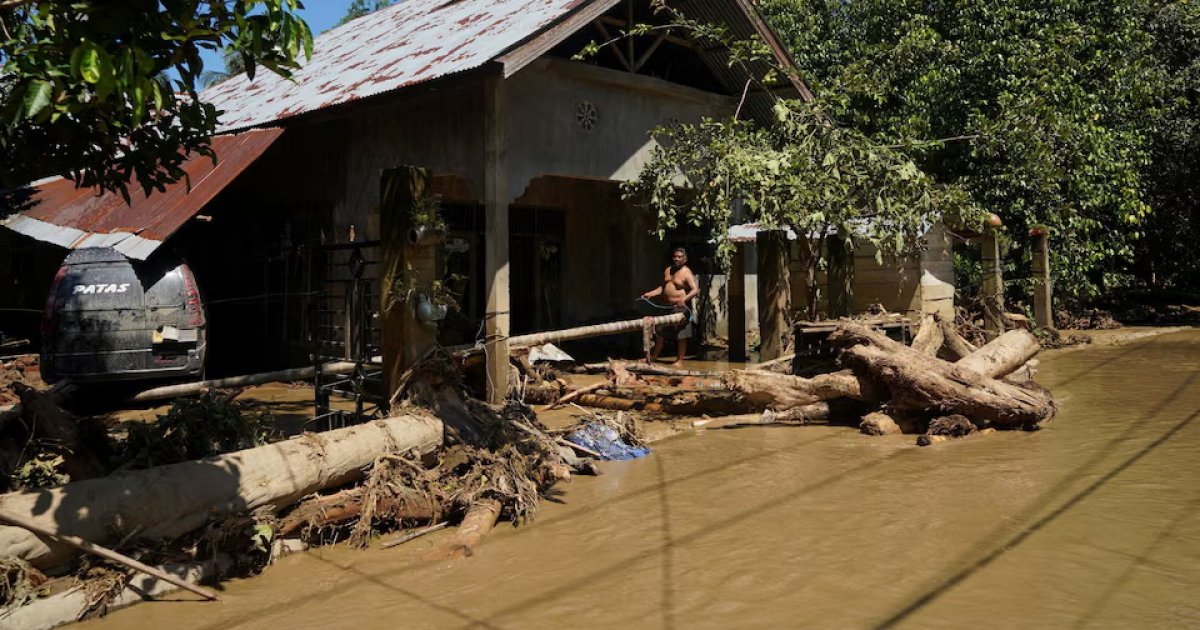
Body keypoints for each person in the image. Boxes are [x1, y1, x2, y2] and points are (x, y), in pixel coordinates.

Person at [640, 247, 699, 366]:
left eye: (679, 257)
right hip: (666, 306)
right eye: (675, 256)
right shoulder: (668, 270)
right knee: (660, 332)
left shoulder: (686, 272)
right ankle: (654, 356)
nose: (676, 259)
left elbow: (695, 290)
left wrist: (683, 299)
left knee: (681, 334)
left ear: (685, 259)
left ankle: (680, 360)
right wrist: (651, 293)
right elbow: (663, 287)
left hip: (680, 307)